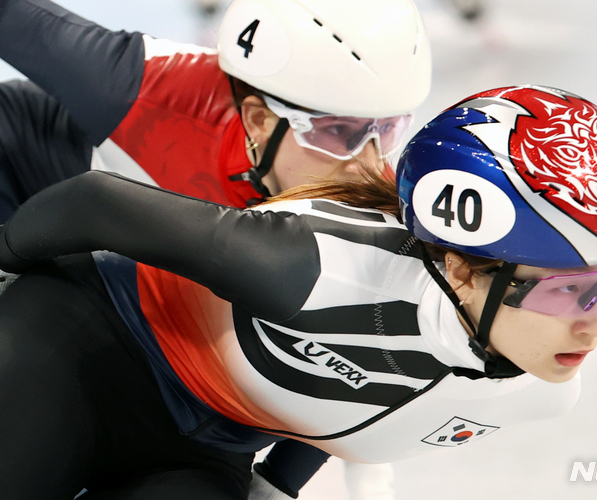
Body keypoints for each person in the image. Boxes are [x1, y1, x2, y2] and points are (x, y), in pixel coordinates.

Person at [0, 85, 597, 499]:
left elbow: (364, 396)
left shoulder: (541, 394)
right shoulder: (319, 267)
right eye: (567, 291)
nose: (595, 323)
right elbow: (96, 203)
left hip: (205, 447)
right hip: (82, 346)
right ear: (459, 269)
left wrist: (276, 485)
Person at [0, 0, 431, 497]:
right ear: (260, 120)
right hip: (32, 176)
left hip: (173, 392)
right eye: (340, 132)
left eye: (388, 129)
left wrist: (279, 482)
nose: (367, 165)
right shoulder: (143, 85)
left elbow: (359, 358)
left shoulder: (380, 208)